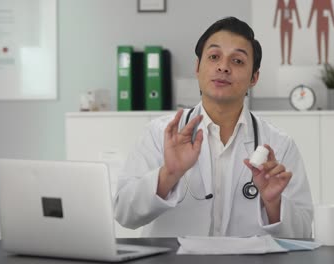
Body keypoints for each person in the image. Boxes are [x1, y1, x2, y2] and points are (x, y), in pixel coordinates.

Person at [114, 16, 313, 238]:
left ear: (254, 78)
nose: (223, 67)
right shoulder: (160, 133)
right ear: (197, 67)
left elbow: (304, 233)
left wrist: (274, 203)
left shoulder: (279, 144)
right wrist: (168, 175)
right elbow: (124, 214)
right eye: (214, 56)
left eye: (237, 61)